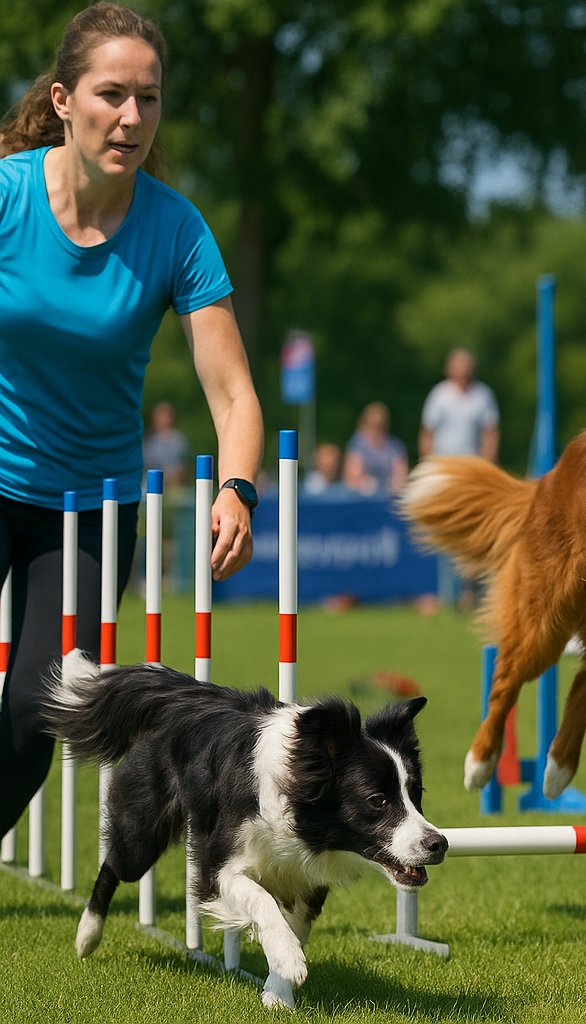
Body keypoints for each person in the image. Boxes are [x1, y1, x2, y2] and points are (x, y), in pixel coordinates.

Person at [0, 3, 263, 833]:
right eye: (111, 94)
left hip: (90, 510)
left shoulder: (177, 231)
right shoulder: (7, 199)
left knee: (35, 714)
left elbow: (232, 394)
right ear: (64, 99)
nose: (131, 117)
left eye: (148, 98)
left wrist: (237, 490)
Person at [419, 347, 500, 460]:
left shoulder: (483, 395)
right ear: (450, 369)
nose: (463, 371)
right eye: (459, 366)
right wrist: (427, 461)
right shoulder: (439, 394)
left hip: (472, 463)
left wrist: (488, 461)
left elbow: (490, 433)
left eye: (466, 367)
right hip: (442, 461)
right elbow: (428, 432)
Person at [343, 401, 408, 496]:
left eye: (380, 426)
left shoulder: (395, 446)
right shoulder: (357, 445)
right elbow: (352, 477)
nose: (375, 430)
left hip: (389, 497)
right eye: (371, 425)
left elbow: (401, 475)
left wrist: (394, 484)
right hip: (360, 498)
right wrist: (367, 483)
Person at [141, 399, 189, 487]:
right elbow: (146, 465)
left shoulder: (179, 440)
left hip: (175, 484)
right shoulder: (149, 440)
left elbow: (183, 466)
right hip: (152, 482)